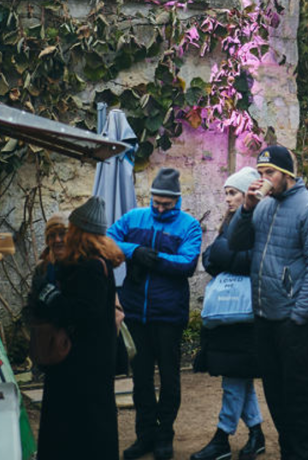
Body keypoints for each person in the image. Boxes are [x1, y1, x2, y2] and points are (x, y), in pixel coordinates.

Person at [228, 145, 308, 460]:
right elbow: (235, 243)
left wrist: (298, 316)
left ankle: (306, 454)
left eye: (270, 172)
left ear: (287, 174)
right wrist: (246, 208)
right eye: (260, 172)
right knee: (276, 395)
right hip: (266, 318)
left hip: (298, 323)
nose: (264, 178)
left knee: (301, 397)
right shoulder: (261, 208)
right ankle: (290, 452)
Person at [108, 168, 204, 460]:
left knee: (170, 378)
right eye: (156, 203)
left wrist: (153, 258)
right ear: (150, 197)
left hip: (168, 314)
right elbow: (108, 241)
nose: (160, 208)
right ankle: (145, 435)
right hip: (135, 311)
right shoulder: (134, 217)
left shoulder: (189, 226)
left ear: (177, 200)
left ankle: (165, 434)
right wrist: (134, 251)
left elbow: (187, 263)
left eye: (166, 204)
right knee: (141, 378)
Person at [30, 196, 124, 460]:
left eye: (70, 228)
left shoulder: (92, 267)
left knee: (80, 430)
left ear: (81, 231)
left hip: (81, 364)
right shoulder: (93, 263)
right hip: (90, 363)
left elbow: (80, 314)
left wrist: (48, 294)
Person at [191, 168, 266, 460]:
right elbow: (210, 258)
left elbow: (252, 260)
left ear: (248, 193)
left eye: (233, 193)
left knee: (233, 379)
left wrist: (226, 256)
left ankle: (222, 438)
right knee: (239, 377)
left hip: (245, 314)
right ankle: (256, 434)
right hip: (229, 312)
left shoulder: (259, 221)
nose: (227, 199)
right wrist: (227, 256)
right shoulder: (229, 223)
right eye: (226, 193)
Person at [34, 211, 70, 281]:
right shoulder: (42, 270)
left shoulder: (84, 266)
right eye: (52, 235)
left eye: (62, 234)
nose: (57, 240)